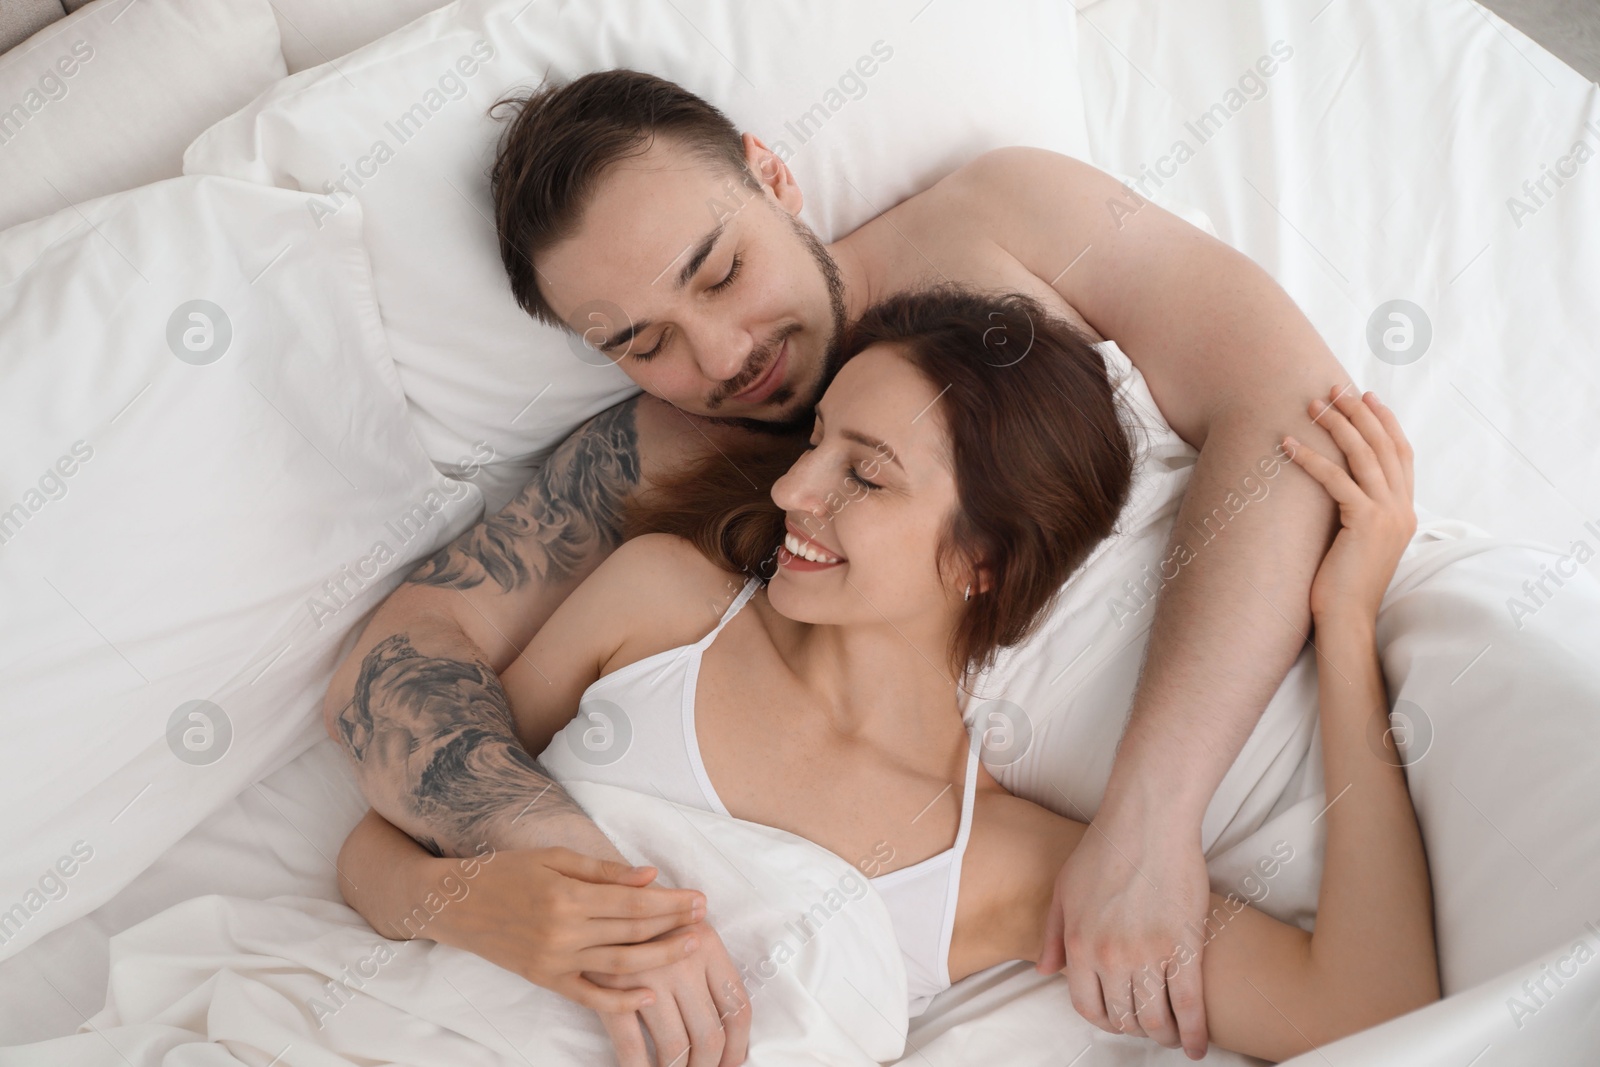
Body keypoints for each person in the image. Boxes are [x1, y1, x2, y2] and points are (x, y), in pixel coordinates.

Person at [322, 69, 1370, 1062]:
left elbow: (1292, 410)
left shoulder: (1000, 214)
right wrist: (559, 868)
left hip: (1333, 684)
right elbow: (397, 658)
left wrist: (1153, 816)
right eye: (645, 344)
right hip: (1158, 917)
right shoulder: (656, 459)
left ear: (772, 175)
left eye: (723, 269)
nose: (723, 357)